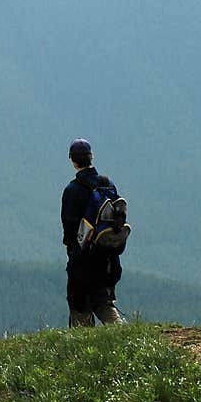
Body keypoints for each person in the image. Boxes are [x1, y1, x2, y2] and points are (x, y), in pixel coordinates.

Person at [61, 138, 125, 327]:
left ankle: (82, 349)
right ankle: (123, 335)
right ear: (91, 158)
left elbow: (70, 231)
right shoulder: (107, 184)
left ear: (72, 160)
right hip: (107, 260)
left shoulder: (72, 190)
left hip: (82, 261)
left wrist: (74, 254)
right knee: (104, 303)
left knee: (80, 307)